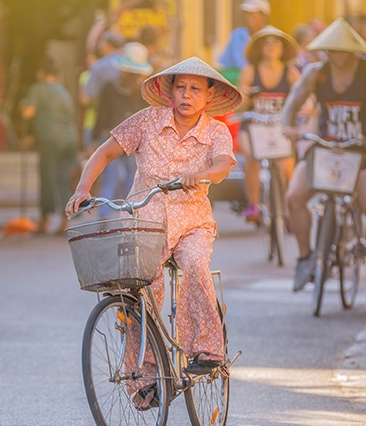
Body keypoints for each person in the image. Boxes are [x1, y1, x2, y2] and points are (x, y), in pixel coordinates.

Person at [66, 57, 242, 407]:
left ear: (208, 96)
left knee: (193, 263)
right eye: (180, 87)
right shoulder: (147, 121)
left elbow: (223, 165)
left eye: (195, 89)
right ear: (169, 91)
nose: (186, 95)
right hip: (146, 222)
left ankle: (206, 348)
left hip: (192, 223)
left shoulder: (215, 131)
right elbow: (105, 151)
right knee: (139, 288)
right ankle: (143, 377)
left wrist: (205, 173)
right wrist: (83, 188)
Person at [281, 18, 366, 305]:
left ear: (356, 51)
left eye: (345, 49)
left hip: (362, 150)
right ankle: (306, 257)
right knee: (294, 197)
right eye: (333, 49)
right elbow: (292, 103)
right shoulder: (315, 73)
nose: (339, 55)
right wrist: (288, 126)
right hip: (326, 148)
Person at [237, 26, 301, 222]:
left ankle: (290, 211)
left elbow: (304, 98)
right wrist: (245, 99)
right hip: (253, 126)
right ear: (259, 48)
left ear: (283, 49)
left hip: (280, 128)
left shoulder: (291, 73)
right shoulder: (250, 71)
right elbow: (239, 106)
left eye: (276, 42)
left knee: (288, 165)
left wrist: (307, 108)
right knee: (252, 156)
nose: (272, 46)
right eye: (267, 41)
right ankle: (254, 205)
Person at [91, 43, 154, 216]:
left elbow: (101, 115)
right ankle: (129, 214)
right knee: (132, 179)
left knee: (110, 179)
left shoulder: (110, 87)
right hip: (134, 142)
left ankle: (104, 215)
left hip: (111, 138)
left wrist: (95, 139)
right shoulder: (143, 91)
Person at [21, 57, 80, 234]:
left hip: (50, 140)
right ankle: (65, 221)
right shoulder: (64, 91)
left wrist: (22, 106)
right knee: (63, 179)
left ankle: (44, 221)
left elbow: (28, 113)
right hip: (69, 139)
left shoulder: (39, 89)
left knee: (47, 179)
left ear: (41, 73)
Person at [217, 0, 271, 76]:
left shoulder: (272, 37)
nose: (249, 18)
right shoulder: (236, 36)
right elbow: (225, 66)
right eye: (247, 14)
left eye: (253, 15)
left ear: (263, 16)